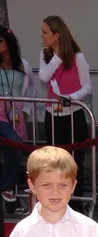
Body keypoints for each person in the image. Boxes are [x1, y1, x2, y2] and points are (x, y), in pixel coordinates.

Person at [39, 15, 91, 207]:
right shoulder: (46, 56)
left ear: (57, 35)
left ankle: (76, 203)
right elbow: (44, 77)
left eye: (45, 32)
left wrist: (71, 98)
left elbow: (87, 87)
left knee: (75, 162)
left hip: (73, 115)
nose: (42, 36)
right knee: (53, 162)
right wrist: (57, 57)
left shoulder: (78, 57)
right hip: (52, 115)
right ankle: (55, 202)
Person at [0, 26, 36, 214]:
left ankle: (9, 194)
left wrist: (28, 109)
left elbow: (32, 87)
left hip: (16, 114)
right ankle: (6, 188)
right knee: (13, 143)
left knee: (15, 151)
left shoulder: (22, 64)